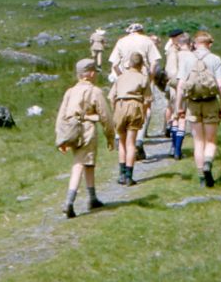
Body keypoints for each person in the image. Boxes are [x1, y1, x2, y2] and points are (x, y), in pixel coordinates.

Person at [56, 59, 115, 218]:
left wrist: (61, 139)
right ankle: (69, 202)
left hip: (71, 131)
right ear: (90, 74)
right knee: (79, 164)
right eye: (94, 71)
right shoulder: (95, 91)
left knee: (88, 161)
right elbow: (106, 116)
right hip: (87, 130)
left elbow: (61, 115)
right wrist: (110, 136)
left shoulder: (70, 91)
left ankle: (92, 198)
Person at [174, 31, 221, 188]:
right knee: (211, 140)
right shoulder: (215, 59)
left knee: (198, 141)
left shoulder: (187, 59)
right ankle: (208, 163)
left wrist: (179, 108)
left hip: (193, 103)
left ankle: (201, 178)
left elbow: (180, 86)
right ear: (210, 44)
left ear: (195, 44)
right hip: (211, 102)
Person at [107, 23, 161, 160]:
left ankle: (120, 137)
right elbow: (154, 62)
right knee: (145, 108)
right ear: (141, 31)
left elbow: (113, 64)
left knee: (121, 106)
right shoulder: (147, 41)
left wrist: (120, 77)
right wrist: (150, 77)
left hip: (125, 77)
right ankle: (139, 140)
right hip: (142, 76)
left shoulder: (121, 41)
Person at [108, 52, 152, 186]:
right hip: (135, 105)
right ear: (142, 65)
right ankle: (129, 176)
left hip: (120, 105)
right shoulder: (143, 78)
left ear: (129, 64)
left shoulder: (120, 78)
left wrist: (115, 110)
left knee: (121, 142)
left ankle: (121, 174)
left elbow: (111, 97)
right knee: (131, 142)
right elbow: (147, 100)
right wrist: (143, 113)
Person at [162, 28, 185, 140]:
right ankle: (175, 145)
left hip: (173, 82)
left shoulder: (171, 47)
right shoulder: (173, 50)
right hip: (176, 82)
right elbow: (172, 70)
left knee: (172, 107)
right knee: (178, 112)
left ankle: (169, 127)